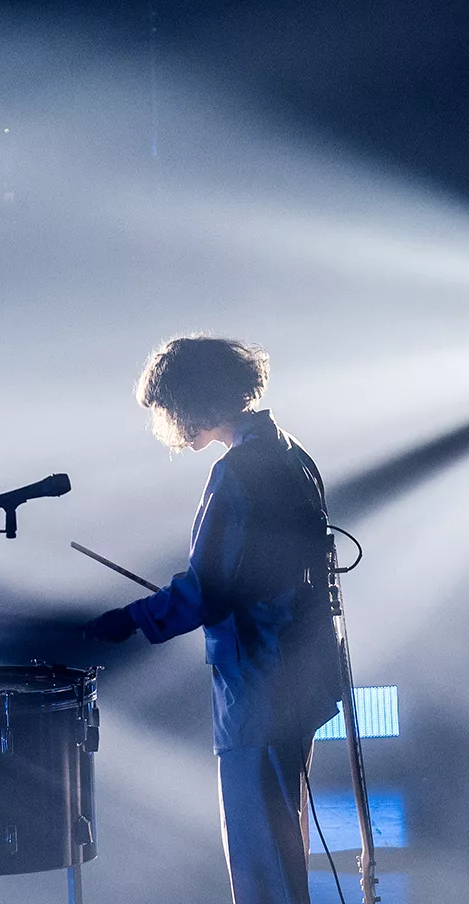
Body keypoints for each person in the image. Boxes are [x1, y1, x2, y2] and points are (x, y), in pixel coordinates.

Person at [84, 335, 340, 904]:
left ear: (192, 400)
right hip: (296, 675)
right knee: (281, 845)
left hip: (259, 681)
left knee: (261, 861)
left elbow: (208, 589)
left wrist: (129, 619)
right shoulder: (293, 455)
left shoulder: (238, 471)